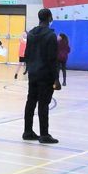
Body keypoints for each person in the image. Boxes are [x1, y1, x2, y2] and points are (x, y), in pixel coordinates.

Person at [22, 8, 60, 144]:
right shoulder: (51, 35)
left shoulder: (31, 34)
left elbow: (26, 54)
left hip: (33, 73)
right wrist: (56, 78)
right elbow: (52, 59)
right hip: (45, 75)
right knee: (43, 104)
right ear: (49, 18)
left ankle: (27, 131)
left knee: (30, 102)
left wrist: (29, 68)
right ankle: (44, 134)